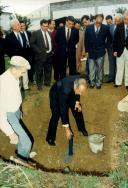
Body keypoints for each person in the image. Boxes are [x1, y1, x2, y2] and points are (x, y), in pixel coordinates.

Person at [0, 56, 36, 163]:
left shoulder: (14, 76)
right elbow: (0, 114)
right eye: (23, 72)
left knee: (22, 141)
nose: (23, 74)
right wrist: (10, 133)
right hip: (9, 116)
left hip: (15, 112)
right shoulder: (3, 83)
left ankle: (23, 154)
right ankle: (21, 162)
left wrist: (19, 111)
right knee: (27, 143)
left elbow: (16, 96)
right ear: (14, 69)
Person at [46, 75, 88, 146]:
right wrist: (67, 129)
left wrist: (77, 102)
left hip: (71, 92)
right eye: (80, 92)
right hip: (56, 94)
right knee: (56, 115)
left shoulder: (80, 81)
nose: (81, 94)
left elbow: (78, 93)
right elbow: (63, 110)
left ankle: (82, 128)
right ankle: (50, 137)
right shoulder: (65, 89)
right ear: (76, 87)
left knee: (77, 109)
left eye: (82, 92)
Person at [85, 14, 111, 89]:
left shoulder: (105, 28)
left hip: (101, 51)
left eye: (101, 19)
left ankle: (98, 83)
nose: (99, 20)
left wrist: (106, 47)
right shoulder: (89, 28)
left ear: (102, 20)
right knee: (91, 68)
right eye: (98, 18)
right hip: (91, 51)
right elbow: (86, 41)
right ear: (95, 19)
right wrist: (86, 51)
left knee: (99, 68)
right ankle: (92, 83)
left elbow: (109, 39)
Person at [5, 19, 30, 91]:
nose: (20, 26)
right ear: (14, 26)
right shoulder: (9, 36)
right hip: (15, 59)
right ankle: (18, 88)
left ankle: (25, 86)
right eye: (18, 24)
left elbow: (25, 46)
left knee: (25, 72)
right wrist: (12, 57)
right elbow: (7, 49)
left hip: (24, 58)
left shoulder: (22, 35)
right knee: (17, 74)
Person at [30, 19, 53, 90]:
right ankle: (39, 85)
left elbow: (50, 42)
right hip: (40, 56)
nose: (45, 27)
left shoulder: (49, 33)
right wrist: (39, 51)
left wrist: (51, 50)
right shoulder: (35, 33)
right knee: (39, 71)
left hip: (49, 55)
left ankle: (47, 83)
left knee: (48, 70)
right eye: (44, 26)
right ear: (41, 25)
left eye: (47, 26)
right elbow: (32, 43)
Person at [113, 12, 128, 90]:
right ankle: (118, 82)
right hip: (119, 50)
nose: (126, 21)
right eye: (125, 19)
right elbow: (115, 39)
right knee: (119, 66)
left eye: (127, 19)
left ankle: (127, 83)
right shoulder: (119, 26)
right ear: (123, 19)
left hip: (127, 50)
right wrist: (115, 50)